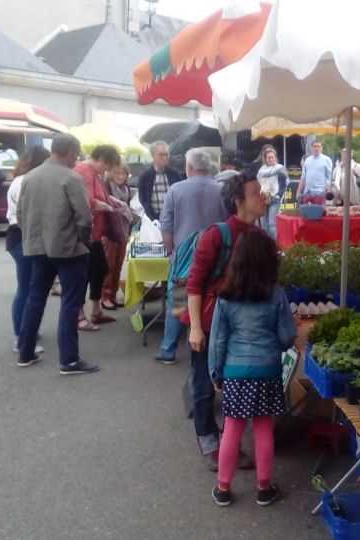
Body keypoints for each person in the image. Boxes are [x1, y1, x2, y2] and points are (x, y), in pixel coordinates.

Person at [185, 172, 268, 469]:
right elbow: (194, 283)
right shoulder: (217, 235)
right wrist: (195, 327)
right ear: (238, 201)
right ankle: (210, 443)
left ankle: (229, 441)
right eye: (257, 192)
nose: (264, 197)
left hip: (242, 327)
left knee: (234, 383)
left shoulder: (261, 238)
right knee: (204, 385)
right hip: (208, 323)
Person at [209, 228, 296, 507]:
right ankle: (264, 488)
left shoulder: (225, 297)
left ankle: (223, 488)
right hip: (267, 370)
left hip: (235, 372)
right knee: (263, 429)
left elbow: (217, 341)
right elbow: (287, 336)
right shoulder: (276, 294)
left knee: (232, 428)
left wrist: (216, 372)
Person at [16, 133, 99, 375]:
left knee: (35, 299)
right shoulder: (70, 177)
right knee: (70, 303)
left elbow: (20, 214)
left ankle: (25, 352)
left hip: (37, 247)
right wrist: (83, 242)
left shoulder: (29, 177)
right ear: (71, 152)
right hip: (67, 249)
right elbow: (84, 216)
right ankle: (69, 360)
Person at [155, 148, 229, 365]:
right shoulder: (222, 190)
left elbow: (166, 226)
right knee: (212, 298)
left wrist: (171, 252)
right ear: (209, 167)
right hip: (217, 254)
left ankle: (168, 349)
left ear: (188, 167)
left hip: (184, 254)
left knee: (178, 298)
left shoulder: (175, 190)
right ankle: (210, 344)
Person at [6, 145, 51, 355]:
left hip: (18, 236)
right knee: (27, 288)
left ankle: (26, 330)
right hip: (22, 236)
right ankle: (20, 337)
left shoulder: (19, 180)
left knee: (27, 287)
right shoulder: (26, 181)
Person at [74, 145, 122, 331]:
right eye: (108, 166)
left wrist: (112, 201)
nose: (107, 170)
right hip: (86, 234)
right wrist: (108, 208)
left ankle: (95, 311)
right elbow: (88, 201)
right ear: (100, 159)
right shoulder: (84, 172)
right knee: (83, 275)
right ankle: (79, 316)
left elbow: (101, 196)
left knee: (100, 269)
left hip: (95, 235)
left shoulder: (94, 174)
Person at [100, 164, 134, 311]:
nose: (121, 176)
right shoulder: (106, 188)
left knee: (118, 265)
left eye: (124, 174)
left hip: (124, 230)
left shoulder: (126, 190)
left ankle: (113, 295)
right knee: (109, 265)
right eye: (118, 173)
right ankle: (105, 297)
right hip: (110, 232)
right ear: (111, 174)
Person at [137, 141, 183, 222]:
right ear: (153, 155)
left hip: (173, 219)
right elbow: (143, 199)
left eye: (166, 154)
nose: (165, 157)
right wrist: (152, 217)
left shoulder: (175, 174)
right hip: (153, 220)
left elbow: (180, 196)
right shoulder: (145, 176)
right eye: (161, 155)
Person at [256, 147, 287, 238]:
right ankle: (265, 245)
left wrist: (278, 195)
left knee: (271, 224)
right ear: (265, 159)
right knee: (264, 224)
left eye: (272, 157)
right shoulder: (261, 170)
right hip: (264, 198)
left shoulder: (280, 168)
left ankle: (274, 246)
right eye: (269, 157)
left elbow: (284, 184)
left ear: (275, 158)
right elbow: (258, 183)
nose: (271, 159)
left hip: (274, 198)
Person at [297, 140, 332, 204]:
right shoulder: (307, 160)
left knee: (320, 213)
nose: (316, 148)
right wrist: (298, 192)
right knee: (306, 213)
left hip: (321, 194)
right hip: (308, 193)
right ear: (311, 148)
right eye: (315, 146)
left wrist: (327, 190)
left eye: (318, 146)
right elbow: (303, 178)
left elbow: (330, 178)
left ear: (322, 148)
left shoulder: (327, 160)